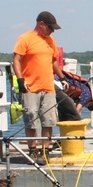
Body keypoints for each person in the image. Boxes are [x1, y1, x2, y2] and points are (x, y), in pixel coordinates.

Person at [12, 11, 66, 164]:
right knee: (31, 118)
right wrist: (20, 80)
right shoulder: (26, 38)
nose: (52, 31)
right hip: (30, 87)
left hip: (48, 86)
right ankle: (32, 150)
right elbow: (16, 59)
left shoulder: (50, 40)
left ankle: (45, 150)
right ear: (41, 24)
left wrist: (62, 78)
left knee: (48, 119)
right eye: (50, 27)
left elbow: (53, 60)